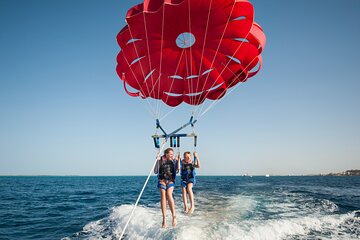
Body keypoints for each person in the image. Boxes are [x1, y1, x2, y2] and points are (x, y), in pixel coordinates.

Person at [154, 148, 180, 228]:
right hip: (162, 180)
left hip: (171, 180)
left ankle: (174, 217)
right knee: (163, 195)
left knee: (169, 194)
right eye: (171, 154)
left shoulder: (174, 160)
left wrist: (178, 160)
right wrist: (157, 161)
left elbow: (178, 170)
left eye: (172, 154)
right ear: (166, 154)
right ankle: (164, 218)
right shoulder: (160, 160)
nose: (172, 155)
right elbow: (155, 171)